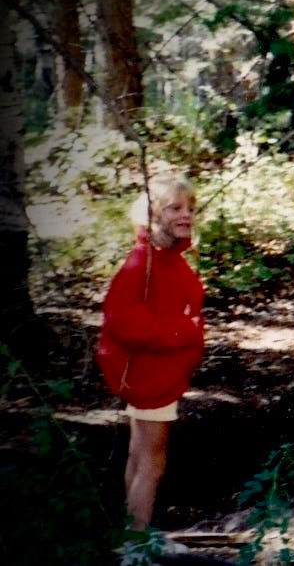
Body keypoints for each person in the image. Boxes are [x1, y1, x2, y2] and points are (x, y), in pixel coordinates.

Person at [96, 175, 204, 534]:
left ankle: (132, 532)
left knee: (139, 454)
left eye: (190, 208)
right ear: (152, 214)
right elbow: (123, 322)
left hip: (160, 371)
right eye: (175, 208)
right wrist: (185, 331)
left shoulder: (167, 259)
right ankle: (138, 541)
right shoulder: (142, 261)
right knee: (152, 461)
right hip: (150, 376)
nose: (186, 215)